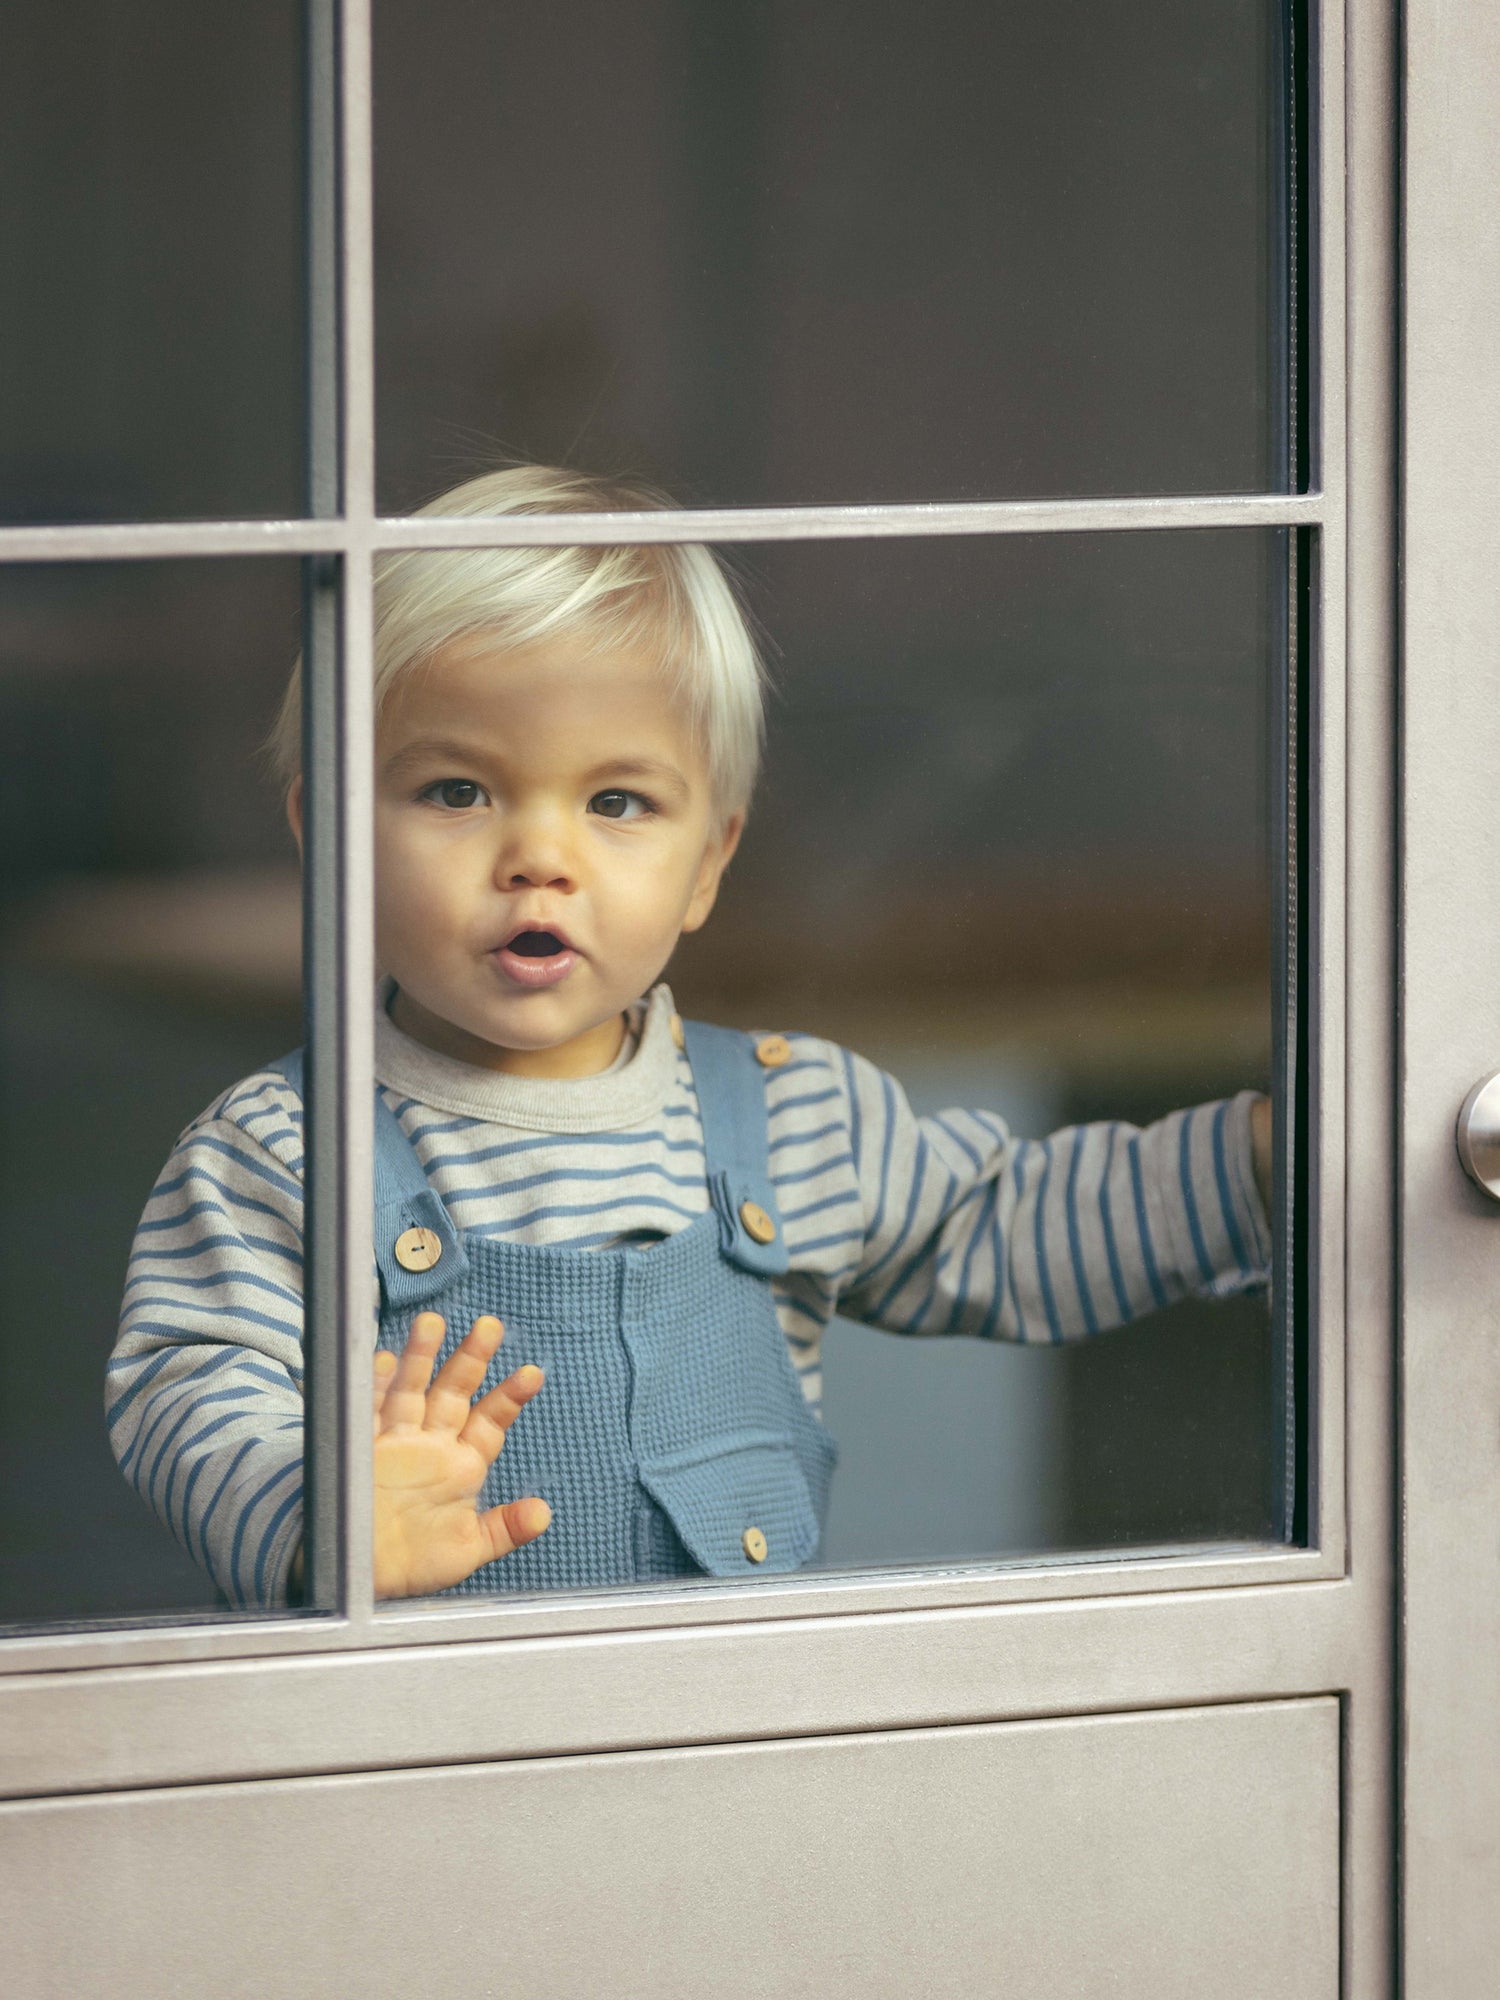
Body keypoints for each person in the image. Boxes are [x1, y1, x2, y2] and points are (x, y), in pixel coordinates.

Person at [106, 465, 1274, 1609]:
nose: (540, 856)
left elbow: (1012, 1225)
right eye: (458, 791)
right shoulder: (284, 1154)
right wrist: (322, 1516)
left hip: (731, 1723)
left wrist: (1259, 1161)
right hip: (432, 1733)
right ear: (330, 832)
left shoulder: (791, 1116)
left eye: (616, 802)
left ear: (708, 861)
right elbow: (190, 1385)